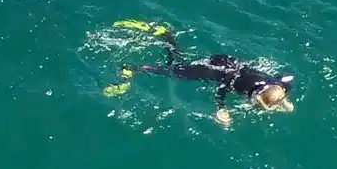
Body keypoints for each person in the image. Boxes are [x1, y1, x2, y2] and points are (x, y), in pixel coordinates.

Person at [103, 21, 294, 127]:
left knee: (179, 63)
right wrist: (221, 107)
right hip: (217, 70)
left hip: (229, 61)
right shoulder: (248, 89)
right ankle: (135, 68)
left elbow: (284, 81)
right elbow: (223, 87)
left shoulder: (279, 85)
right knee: (174, 71)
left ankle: (167, 37)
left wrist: (283, 102)